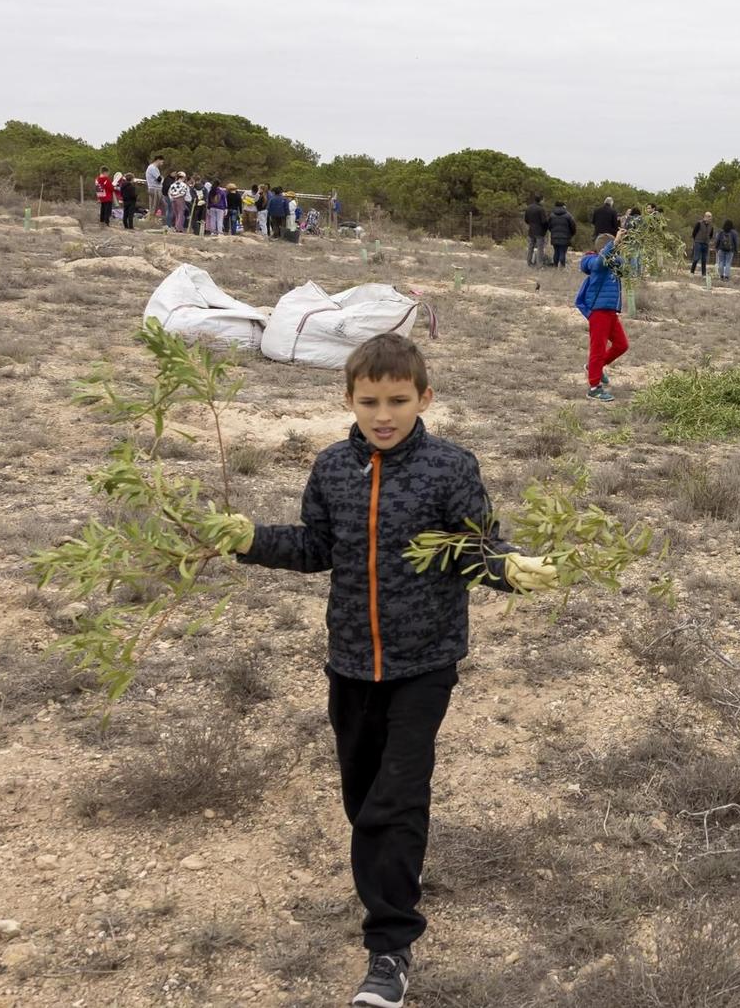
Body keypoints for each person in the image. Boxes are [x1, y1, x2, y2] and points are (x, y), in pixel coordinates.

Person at [222, 334, 523, 1008]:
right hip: (352, 661)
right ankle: (392, 871)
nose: (383, 414)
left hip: (425, 662)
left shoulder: (451, 467)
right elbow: (314, 546)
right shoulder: (331, 468)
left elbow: (477, 548)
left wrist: (511, 569)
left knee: (397, 797)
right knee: (363, 798)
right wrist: (250, 540)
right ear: (349, 399)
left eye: (397, 400)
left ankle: (390, 944)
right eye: (369, 401)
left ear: (425, 397)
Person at [577, 233, 629, 401]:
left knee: (622, 345)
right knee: (598, 349)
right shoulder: (591, 260)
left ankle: (594, 368)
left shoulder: (613, 261)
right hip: (598, 312)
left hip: (611, 312)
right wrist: (614, 243)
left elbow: (625, 268)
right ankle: (594, 388)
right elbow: (600, 263)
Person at [547, 201, 576, 268]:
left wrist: (553, 232)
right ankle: (562, 267)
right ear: (563, 206)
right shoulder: (568, 215)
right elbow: (573, 226)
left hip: (554, 236)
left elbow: (549, 226)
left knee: (556, 252)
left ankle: (555, 266)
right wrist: (571, 234)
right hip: (565, 237)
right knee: (562, 252)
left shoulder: (551, 215)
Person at [524, 196, 548, 267]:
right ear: (540, 200)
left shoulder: (528, 208)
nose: (544, 201)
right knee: (540, 248)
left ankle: (529, 262)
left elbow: (526, 220)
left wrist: (531, 224)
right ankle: (539, 264)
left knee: (530, 247)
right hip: (540, 231)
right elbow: (544, 221)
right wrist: (545, 229)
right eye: (543, 200)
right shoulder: (541, 209)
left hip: (531, 230)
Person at [690, 213, 715, 277]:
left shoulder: (711, 226)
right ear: (705, 216)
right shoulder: (699, 223)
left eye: (711, 217)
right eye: (709, 216)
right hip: (698, 242)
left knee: (704, 259)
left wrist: (708, 241)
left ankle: (703, 274)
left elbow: (711, 235)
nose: (710, 218)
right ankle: (692, 272)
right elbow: (694, 233)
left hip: (706, 243)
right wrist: (696, 240)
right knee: (696, 258)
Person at [144, 156, 164, 226]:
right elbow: (159, 179)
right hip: (154, 189)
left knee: (156, 207)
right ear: (158, 160)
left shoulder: (156, 168)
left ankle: (151, 221)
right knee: (153, 207)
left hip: (157, 189)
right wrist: (162, 178)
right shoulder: (152, 168)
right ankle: (148, 222)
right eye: (162, 161)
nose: (162, 163)